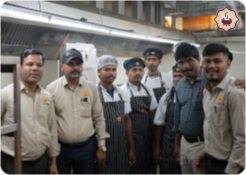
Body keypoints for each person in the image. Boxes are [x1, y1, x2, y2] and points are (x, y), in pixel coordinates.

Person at [46, 49, 109, 175]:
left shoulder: (91, 88)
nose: (75, 67)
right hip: (61, 150)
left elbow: (99, 117)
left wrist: (101, 146)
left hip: (86, 149)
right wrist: (52, 155)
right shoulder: (51, 90)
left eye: (78, 64)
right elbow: (48, 122)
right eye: (71, 64)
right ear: (62, 66)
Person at [0, 49, 59, 175]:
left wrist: (53, 162)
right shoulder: (6, 94)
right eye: (29, 64)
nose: (35, 68)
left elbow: (51, 129)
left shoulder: (47, 96)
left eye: (39, 65)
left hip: (41, 163)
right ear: (20, 67)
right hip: (12, 164)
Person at [195, 43, 246, 175]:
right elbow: (215, 129)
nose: (211, 66)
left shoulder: (235, 93)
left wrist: (231, 171)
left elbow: (242, 138)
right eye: (207, 61)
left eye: (217, 61)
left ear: (228, 64)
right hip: (212, 162)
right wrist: (206, 153)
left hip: (231, 166)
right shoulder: (207, 91)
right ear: (202, 65)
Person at [96, 55, 136, 175]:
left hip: (121, 148)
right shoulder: (94, 93)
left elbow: (127, 121)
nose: (111, 72)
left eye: (113, 69)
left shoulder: (121, 93)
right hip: (102, 149)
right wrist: (99, 149)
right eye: (106, 69)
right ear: (99, 71)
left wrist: (131, 149)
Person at [172, 42, 206, 175]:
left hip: (202, 144)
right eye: (181, 62)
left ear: (198, 60)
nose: (185, 66)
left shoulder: (210, 81)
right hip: (184, 143)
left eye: (189, 61)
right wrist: (177, 144)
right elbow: (177, 116)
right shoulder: (181, 84)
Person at [120, 57, 158, 175]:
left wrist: (155, 139)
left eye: (140, 70)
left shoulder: (148, 90)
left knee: (148, 167)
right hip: (130, 139)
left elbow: (152, 115)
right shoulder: (122, 91)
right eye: (134, 70)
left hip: (147, 137)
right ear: (127, 73)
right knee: (133, 167)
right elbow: (125, 120)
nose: (138, 73)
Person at [153, 63, 183, 175]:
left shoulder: (193, 95)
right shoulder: (166, 97)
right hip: (168, 145)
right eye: (175, 76)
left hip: (187, 144)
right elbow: (159, 124)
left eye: (181, 76)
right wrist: (157, 146)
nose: (177, 79)